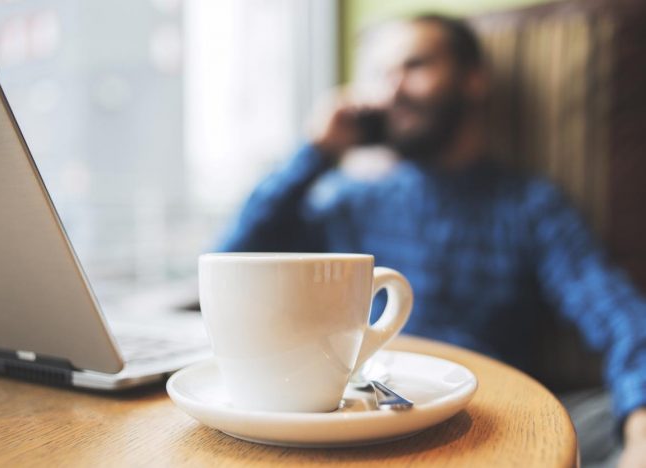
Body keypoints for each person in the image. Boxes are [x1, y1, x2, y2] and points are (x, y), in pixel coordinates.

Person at [216, 14, 646, 467]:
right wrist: (315, 152)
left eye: (415, 65)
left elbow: (618, 315)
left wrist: (640, 425)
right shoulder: (351, 201)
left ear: (473, 80)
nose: (393, 89)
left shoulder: (530, 205)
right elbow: (232, 265)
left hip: (486, 422)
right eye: (382, 75)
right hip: (358, 417)